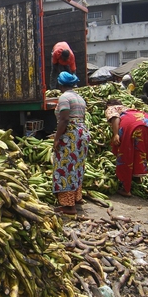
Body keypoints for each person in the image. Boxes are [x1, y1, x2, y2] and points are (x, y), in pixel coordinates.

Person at [52, 72, 90, 215]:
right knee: (77, 166)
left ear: (61, 84)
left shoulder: (64, 97)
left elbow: (64, 119)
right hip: (81, 133)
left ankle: (68, 206)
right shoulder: (79, 98)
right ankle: (76, 197)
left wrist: (57, 138)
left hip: (70, 135)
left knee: (65, 167)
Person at [105, 99, 148, 197]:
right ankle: (137, 177)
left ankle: (126, 189)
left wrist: (116, 134)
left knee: (126, 154)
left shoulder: (111, 108)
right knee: (141, 151)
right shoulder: (128, 109)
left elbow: (115, 118)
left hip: (134, 127)